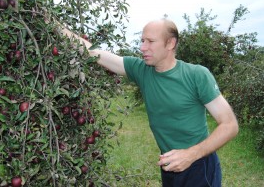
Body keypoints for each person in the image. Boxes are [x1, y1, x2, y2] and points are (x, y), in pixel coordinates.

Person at [62, 18, 239, 187]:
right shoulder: (142, 70)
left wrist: (190, 155)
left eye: (150, 41)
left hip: (199, 165)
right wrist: (51, 24)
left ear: (170, 43)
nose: (142, 47)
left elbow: (229, 125)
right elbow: (94, 52)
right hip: (168, 163)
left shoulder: (196, 75)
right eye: (142, 40)